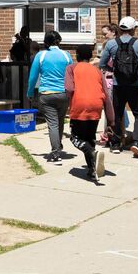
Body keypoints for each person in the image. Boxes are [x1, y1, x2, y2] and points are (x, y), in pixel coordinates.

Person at [100, 16, 138, 157]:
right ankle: (137, 143)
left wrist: (114, 71)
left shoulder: (111, 44)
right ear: (133, 29)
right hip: (135, 85)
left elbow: (102, 63)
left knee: (116, 114)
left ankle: (115, 144)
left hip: (117, 85)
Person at [28, 31, 73, 160]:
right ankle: (58, 145)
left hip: (46, 94)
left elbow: (33, 77)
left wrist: (30, 92)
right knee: (59, 121)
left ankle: (55, 152)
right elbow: (71, 76)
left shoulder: (40, 56)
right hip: (63, 94)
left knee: (52, 123)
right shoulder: (66, 55)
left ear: (45, 42)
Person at [66, 44, 107, 182]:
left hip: (80, 105)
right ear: (90, 56)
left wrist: (68, 104)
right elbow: (106, 93)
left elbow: (69, 88)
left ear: (77, 55)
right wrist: (111, 118)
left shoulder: (71, 68)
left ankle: (91, 152)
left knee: (75, 138)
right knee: (89, 138)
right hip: (96, 106)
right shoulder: (97, 71)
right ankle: (92, 170)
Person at [96, 23, 119, 147]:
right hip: (113, 79)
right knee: (114, 109)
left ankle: (109, 135)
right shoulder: (112, 44)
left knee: (110, 109)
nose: (104, 37)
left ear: (113, 32)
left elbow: (102, 62)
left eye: (105, 34)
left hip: (110, 80)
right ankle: (112, 134)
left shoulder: (112, 45)